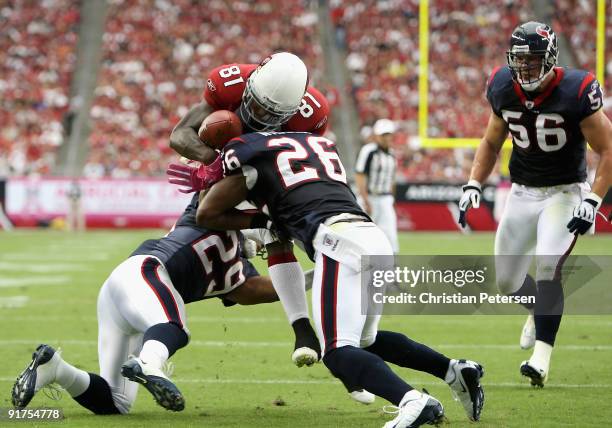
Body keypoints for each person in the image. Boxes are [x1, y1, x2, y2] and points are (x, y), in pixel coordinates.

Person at [195, 131, 485, 427]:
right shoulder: (312, 150)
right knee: (365, 341)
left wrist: (256, 217)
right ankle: (453, 370)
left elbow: (206, 213)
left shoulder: (255, 163)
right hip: (373, 237)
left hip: (338, 243)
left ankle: (412, 401)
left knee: (337, 352)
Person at [12, 192, 281, 414]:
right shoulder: (208, 210)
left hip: (122, 293)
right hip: (146, 272)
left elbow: (266, 289)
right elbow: (219, 194)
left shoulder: (234, 270)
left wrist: (317, 279)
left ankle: (56, 368)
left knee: (117, 402)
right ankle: (150, 363)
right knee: (173, 326)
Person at [458, 22, 612, 387]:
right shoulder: (500, 86)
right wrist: (472, 183)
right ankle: (538, 311)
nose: (525, 68)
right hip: (522, 191)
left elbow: (607, 149)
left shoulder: (576, 89)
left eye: (533, 61)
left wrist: (592, 197)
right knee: (508, 280)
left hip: (563, 192)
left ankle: (541, 357)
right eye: (519, 61)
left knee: (547, 268)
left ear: (551, 58)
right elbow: (491, 141)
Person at [169, 52, 330, 366]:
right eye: (254, 104)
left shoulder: (312, 115)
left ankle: (304, 326)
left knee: (276, 233)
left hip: (269, 174)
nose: (258, 116)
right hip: (224, 176)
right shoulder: (228, 83)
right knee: (236, 288)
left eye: (271, 114)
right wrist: (213, 162)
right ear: (250, 83)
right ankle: (248, 240)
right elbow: (180, 134)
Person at [355, 118, 399, 253]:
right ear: (377, 135)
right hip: (370, 197)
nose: (386, 138)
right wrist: (365, 199)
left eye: (388, 134)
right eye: (383, 135)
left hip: (385, 198)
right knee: (364, 234)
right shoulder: (368, 151)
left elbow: (392, 178)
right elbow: (360, 175)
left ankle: (391, 267)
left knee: (390, 234)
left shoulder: (392, 154)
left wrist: (392, 197)